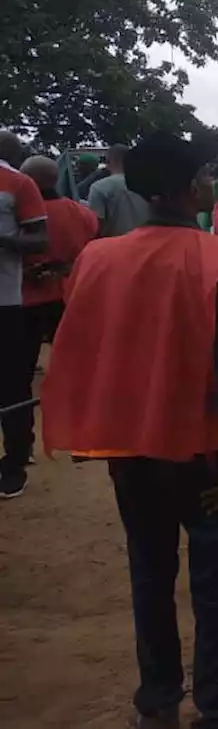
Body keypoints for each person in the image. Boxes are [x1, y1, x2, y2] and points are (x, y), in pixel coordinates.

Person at [39, 133, 218, 729]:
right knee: (216, 586)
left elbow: (86, 351)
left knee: (149, 574)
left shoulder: (98, 257)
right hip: (208, 450)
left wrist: (102, 435)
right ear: (190, 188)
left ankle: (157, 702)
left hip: (133, 446)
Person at [7, 156, 97, 499]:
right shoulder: (80, 212)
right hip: (69, 296)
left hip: (26, 300)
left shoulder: (19, 214)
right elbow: (89, 249)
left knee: (20, 375)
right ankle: (86, 436)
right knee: (79, 367)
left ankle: (23, 445)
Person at [0, 131, 49, 499]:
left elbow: (39, 239)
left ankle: (15, 461)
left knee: (12, 385)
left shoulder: (19, 183)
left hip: (5, 301)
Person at [86, 143, 151, 237]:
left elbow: (96, 225)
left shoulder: (99, 187)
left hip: (113, 246)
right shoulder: (149, 185)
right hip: (147, 244)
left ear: (108, 161)